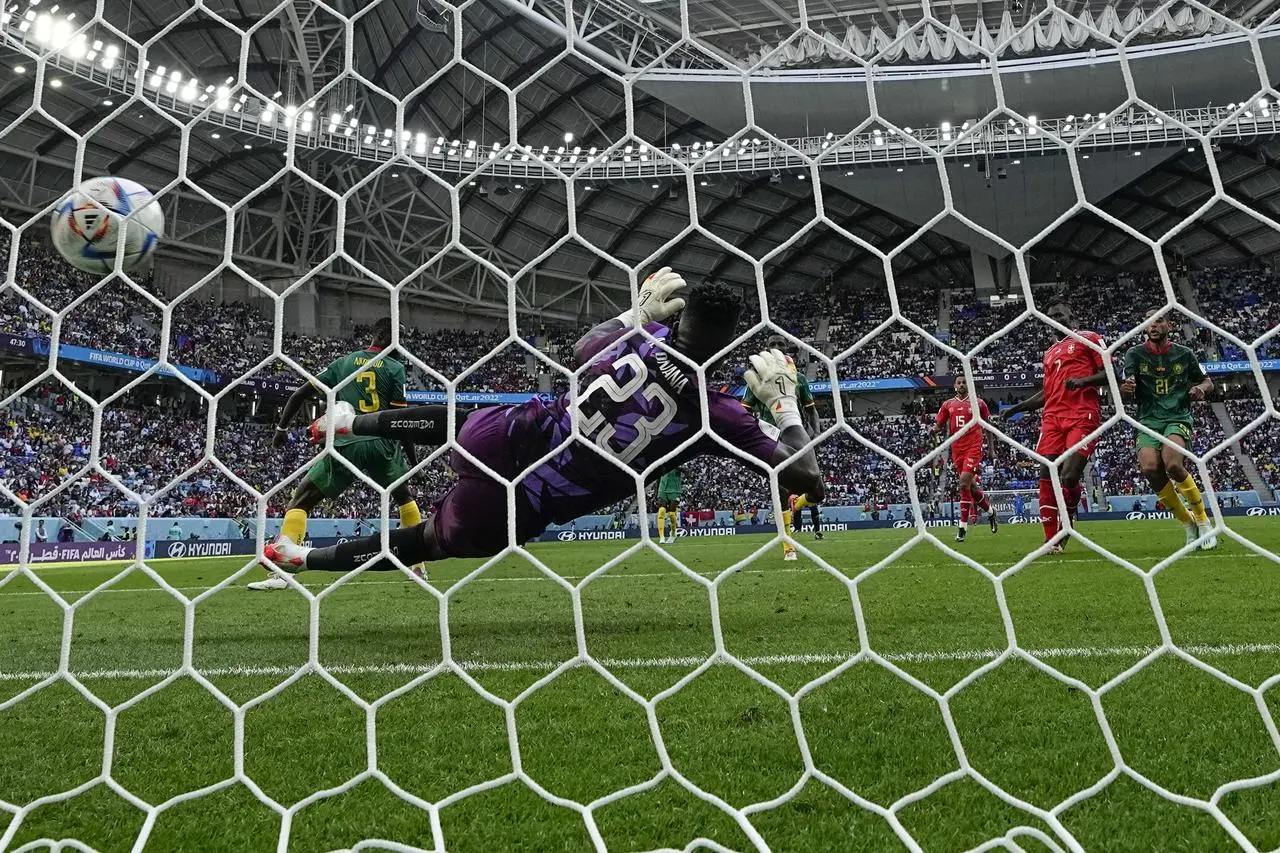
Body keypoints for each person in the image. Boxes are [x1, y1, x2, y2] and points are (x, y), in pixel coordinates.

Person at [262, 271, 824, 574]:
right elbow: (805, 478)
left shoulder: (644, 339)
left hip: (512, 434)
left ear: (680, 320)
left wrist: (638, 312)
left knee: (457, 417)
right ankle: (301, 557)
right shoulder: (715, 413)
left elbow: (583, 348)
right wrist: (785, 405)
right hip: (528, 498)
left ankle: (351, 425)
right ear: (728, 342)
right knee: (428, 541)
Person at [249, 318, 424, 590]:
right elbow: (401, 421)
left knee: (301, 500)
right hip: (381, 443)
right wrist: (413, 463)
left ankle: (282, 574)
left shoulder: (344, 363)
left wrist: (281, 429)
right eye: (396, 335)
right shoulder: (395, 368)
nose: (398, 342)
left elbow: (299, 394)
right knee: (404, 499)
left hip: (347, 441)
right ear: (381, 334)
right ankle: (418, 566)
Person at [1000, 300, 1103, 554]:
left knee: (1068, 476)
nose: (1054, 318)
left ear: (1072, 315)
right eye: (1050, 316)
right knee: (1046, 474)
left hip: (1082, 414)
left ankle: (1069, 515)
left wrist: (1082, 382)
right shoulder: (1049, 353)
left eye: (1059, 314)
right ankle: (1052, 541)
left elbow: (1110, 372)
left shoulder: (1089, 338)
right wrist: (1017, 408)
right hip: (1052, 419)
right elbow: (1047, 393)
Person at [1119, 309, 1216, 549]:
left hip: (1177, 416)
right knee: (1150, 468)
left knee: (1173, 464)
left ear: (1168, 325)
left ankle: (1204, 522)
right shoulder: (1134, 354)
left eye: (1158, 321)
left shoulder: (1184, 354)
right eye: (1149, 322)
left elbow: (1208, 381)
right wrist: (1126, 388)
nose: (1153, 325)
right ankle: (1187, 523)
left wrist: (1201, 389)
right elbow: (1124, 387)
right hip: (1148, 419)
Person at [743, 334, 824, 559]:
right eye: (772, 345)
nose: (777, 347)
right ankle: (788, 545)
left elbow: (811, 409)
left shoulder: (798, 378)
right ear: (766, 350)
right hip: (772, 436)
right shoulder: (758, 380)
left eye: (781, 344)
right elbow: (745, 410)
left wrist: (816, 433)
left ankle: (796, 504)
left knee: (818, 491)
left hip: (797, 434)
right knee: (780, 489)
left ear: (788, 350)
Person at [935, 375, 998, 542]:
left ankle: (962, 526)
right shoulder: (947, 404)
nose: (962, 385)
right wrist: (932, 430)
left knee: (963, 483)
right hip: (957, 450)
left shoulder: (979, 403)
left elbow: (988, 427)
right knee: (971, 488)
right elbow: (938, 425)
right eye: (959, 382)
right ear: (955, 386)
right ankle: (991, 512)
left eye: (964, 382)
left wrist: (991, 450)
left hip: (973, 448)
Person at [655, 467, 682, 544]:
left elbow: (687, 472)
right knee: (661, 511)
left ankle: (673, 534)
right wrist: (656, 493)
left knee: (671, 514)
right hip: (662, 491)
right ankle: (662, 537)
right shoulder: (662, 464)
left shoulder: (677, 462)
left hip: (675, 491)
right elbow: (658, 479)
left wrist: (677, 466)